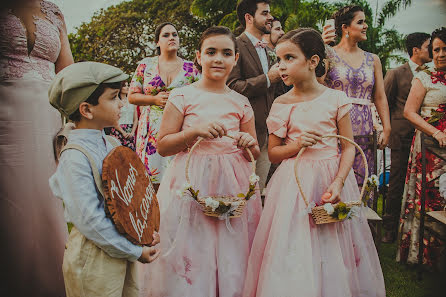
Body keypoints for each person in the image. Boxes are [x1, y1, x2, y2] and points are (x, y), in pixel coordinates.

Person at [242, 28, 385, 297]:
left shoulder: (336, 99)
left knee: (331, 241)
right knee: (295, 244)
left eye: (289, 58)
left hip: (332, 177)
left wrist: (339, 181)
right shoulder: (282, 103)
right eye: (279, 59)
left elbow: (347, 148)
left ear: (313, 61)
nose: (281, 66)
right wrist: (297, 145)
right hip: (293, 184)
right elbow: (273, 153)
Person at [139, 26, 262, 297]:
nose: (218, 58)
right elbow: (163, 145)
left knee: (230, 244)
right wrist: (194, 132)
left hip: (233, 182)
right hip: (190, 181)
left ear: (236, 59)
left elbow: (255, 151)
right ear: (198, 57)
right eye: (211, 52)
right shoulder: (183, 96)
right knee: (193, 243)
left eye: (226, 53)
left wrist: (246, 143)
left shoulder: (241, 102)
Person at [48, 62, 161, 297]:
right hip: (93, 257)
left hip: (122, 249)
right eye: (114, 98)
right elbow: (89, 219)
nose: (122, 103)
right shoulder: (75, 158)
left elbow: (132, 198)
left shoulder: (112, 144)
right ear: (87, 110)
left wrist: (144, 232)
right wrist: (133, 250)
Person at [0, 1, 73, 296]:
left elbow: (66, 71)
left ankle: (50, 283)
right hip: (6, 117)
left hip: (48, 118)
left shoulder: (54, 13)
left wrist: (74, 122)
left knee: (47, 198)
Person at [323, 5, 391, 192]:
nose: (365, 26)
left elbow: (379, 96)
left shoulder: (373, 59)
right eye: (360, 22)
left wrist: (387, 127)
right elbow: (318, 85)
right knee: (334, 176)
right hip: (334, 125)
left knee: (362, 179)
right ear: (345, 28)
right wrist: (320, 48)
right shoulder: (328, 54)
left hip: (365, 128)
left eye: (365, 22)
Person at [397, 27, 446, 267]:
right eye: (435, 49)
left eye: (444, 49)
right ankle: (424, 254)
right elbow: (408, 112)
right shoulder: (424, 76)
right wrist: (436, 131)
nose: (440, 54)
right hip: (429, 148)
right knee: (430, 198)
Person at [129, 22, 199, 187]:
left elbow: (201, 96)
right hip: (150, 133)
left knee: (178, 181)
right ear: (157, 42)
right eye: (166, 35)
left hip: (179, 130)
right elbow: (132, 96)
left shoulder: (191, 68)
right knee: (149, 182)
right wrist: (153, 100)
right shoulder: (146, 65)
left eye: (174, 34)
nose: (171, 38)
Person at [228, 0, 283, 192]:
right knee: (240, 193)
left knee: (258, 193)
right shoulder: (234, 45)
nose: (270, 18)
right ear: (249, 17)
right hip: (244, 137)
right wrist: (268, 78)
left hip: (268, 134)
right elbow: (232, 86)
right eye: (265, 13)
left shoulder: (269, 50)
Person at [382, 32, 432, 243]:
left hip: (425, 137)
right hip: (401, 136)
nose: (432, 50)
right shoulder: (396, 73)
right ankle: (389, 228)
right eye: (429, 46)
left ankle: (415, 229)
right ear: (416, 50)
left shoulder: (433, 74)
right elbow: (384, 103)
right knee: (396, 184)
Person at [110, 81, 138, 150]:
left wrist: (132, 132)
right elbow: (113, 119)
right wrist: (123, 132)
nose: (127, 87)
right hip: (118, 130)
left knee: (131, 155)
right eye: (124, 86)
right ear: (120, 88)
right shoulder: (116, 101)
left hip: (130, 130)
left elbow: (135, 119)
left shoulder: (132, 102)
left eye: (128, 85)